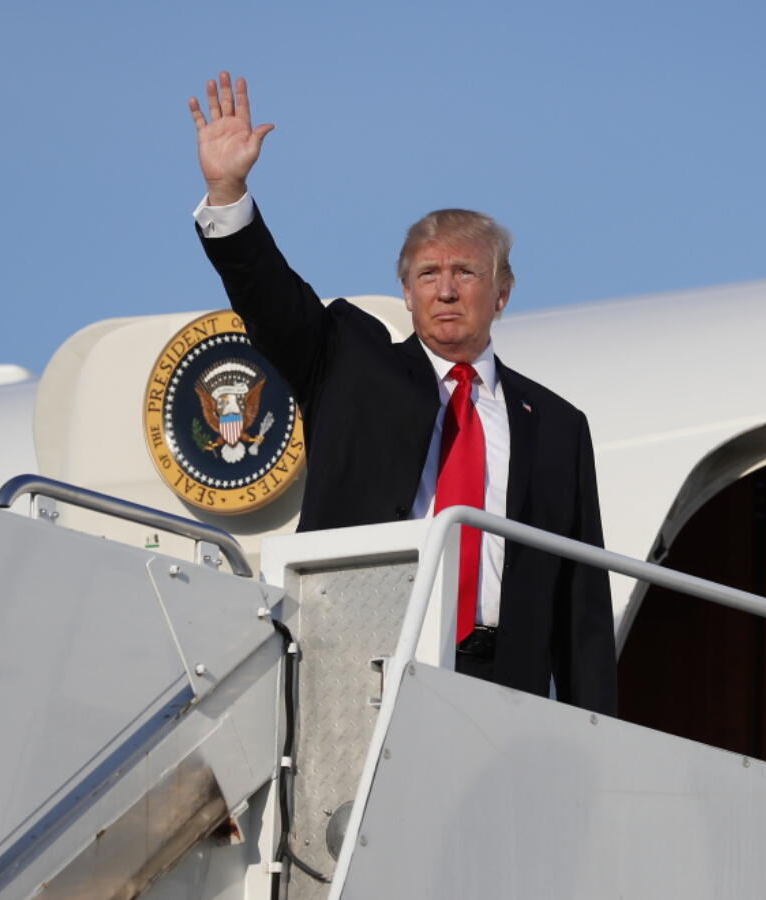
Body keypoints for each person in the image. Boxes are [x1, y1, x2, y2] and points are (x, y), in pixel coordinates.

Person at [189, 72, 616, 715]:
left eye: (466, 273)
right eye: (428, 275)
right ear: (408, 292)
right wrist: (228, 191)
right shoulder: (350, 362)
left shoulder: (556, 424)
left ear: (501, 293)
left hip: (504, 683)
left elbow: (582, 603)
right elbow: (270, 297)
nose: (446, 290)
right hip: (365, 656)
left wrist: (597, 731)